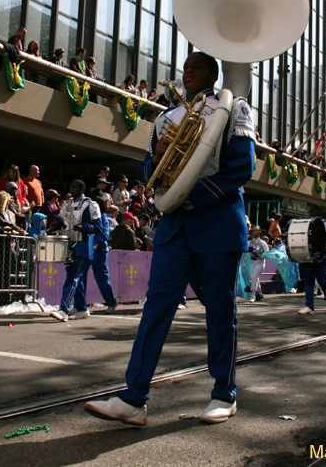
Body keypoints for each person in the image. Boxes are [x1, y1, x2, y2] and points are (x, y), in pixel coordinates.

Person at [85, 51, 255, 426]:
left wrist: (194, 194)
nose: (189, 70)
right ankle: (134, 398)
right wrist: (157, 159)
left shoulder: (235, 108)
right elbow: (149, 169)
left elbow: (242, 166)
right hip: (175, 226)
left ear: (214, 72)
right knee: (156, 306)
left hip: (218, 223)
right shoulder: (166, 117)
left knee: (220, 311)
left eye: (198, 66)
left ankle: (224, 393)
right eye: (186, 66)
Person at [50, 180, 117, 320]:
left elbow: (98, 227)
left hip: (83, 246)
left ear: (82, 188)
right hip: (68, 245)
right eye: (71, 187)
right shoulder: (67, 204)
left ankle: (64, 309)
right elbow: (62, 220)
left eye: (74, 187)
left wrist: (84, 227)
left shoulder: (91, 205)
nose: (72, 189)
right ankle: (81, 308)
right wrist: (54, 224)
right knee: (77, 278)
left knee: (73, 277)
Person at [297, 205, 326, 315]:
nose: (311, 213)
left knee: (323, 281)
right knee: (308, 282)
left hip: (322, 256)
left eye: (313, 211)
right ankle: (309, 305)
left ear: (319, 212)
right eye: (310, 211)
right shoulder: (305, 224)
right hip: (308, 256)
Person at [247, 226, 268, 302]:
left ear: (259, 232)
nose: (254, 232)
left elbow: (267, 253)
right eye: (253, 231)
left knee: (254, 278)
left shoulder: (263, 243)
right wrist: (250, 255)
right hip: (251, 262)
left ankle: (252, 295)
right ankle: (259, 293)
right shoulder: (249, 242)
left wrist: (261, 256)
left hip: (260, 262)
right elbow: (245, 252)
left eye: (256, 231)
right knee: (254, 278)